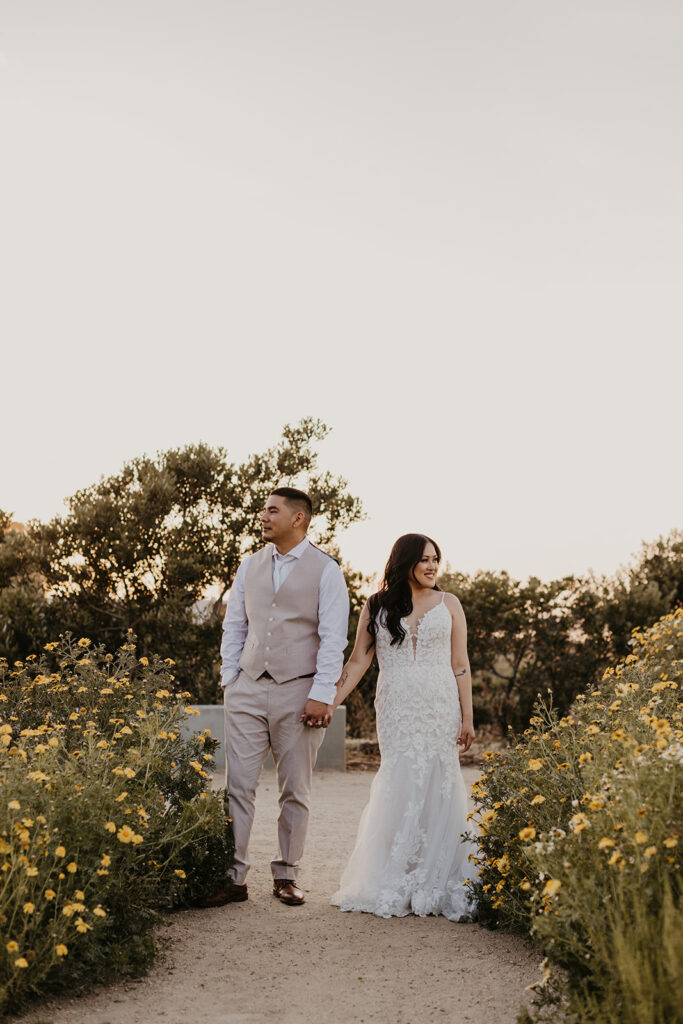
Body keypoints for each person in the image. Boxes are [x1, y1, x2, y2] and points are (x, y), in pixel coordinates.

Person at [204, 487, 349, 908]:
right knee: (238, 785)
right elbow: (235, 626)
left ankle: (287, 874)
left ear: (298, 518)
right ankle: (234, 877)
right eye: (263, 510)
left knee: (295, 789)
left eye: (272, 510)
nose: (263, 517)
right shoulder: (249, 565)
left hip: (300, 691)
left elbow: (332, 638)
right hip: (247, 688)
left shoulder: (326, 570)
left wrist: (322, 694)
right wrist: (230, 678)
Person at [328, 533, 477, 921]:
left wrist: (468, 717)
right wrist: (329, 703)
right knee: (400, 779)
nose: (432, 567)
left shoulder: (450, 604)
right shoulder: (377, 605)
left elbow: (460, 663)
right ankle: (396, 873)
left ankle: (436, 874)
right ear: (405, 561)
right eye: (425, 559)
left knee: (440, 781)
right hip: (396, 707)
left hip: (439, 706)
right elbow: (358, 661)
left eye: (436, 560)